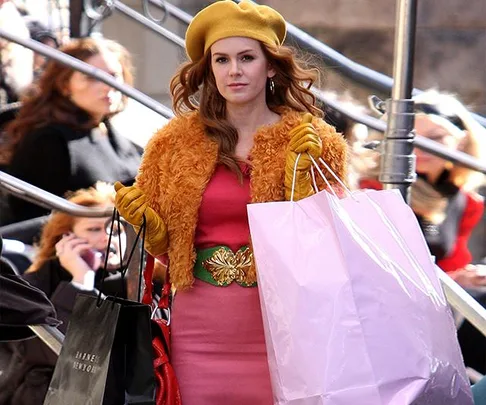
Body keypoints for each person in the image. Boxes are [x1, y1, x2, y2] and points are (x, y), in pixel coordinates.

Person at [114, 1, 348, 404]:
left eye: (247, 58)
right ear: (209, 70)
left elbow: (329, 245)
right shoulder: (171, 143)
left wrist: (300, 187)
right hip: (198, 321)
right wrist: (151, 231)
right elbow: (167, 253)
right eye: (221, 60)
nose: (234, 70)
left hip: (283, 325)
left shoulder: (315, 140)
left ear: (270, 66)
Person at [2, 37, 141, 223]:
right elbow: (31, 218)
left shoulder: (108, 131)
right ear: (65, 85)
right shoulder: (49, 140)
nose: (108, 86)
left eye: (114, 76)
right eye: (92, 77)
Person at [22, 182, 126, 331]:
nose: (107, 237)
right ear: (66, 237)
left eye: (117, 230)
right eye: (94, 229)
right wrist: (82, 281)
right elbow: (62, 349)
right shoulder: (37, 285)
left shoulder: (147, 280)